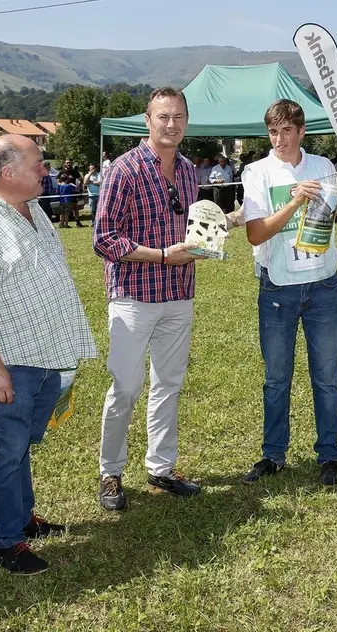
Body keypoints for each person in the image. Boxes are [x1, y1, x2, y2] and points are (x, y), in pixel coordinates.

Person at [0, 134, 98, 575]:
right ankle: (6, 542)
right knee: (6, 452)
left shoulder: (33, 209)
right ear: (8, 172)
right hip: (10, 363)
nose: (46, 171)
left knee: (22, 444)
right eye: (38, 164)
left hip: (45, 355)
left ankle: (23, 518)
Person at [93, 87, 208, 511]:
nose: (171, 124)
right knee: (125, 387)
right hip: (134, 296)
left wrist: (204, 244)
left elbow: (192, 230)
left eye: (178, 116)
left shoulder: (189, 171)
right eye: (163, 116)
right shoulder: (124, 170)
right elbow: (103, 239)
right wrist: (161, 255)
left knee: (169, 384)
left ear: (186, 121)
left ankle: (161, 467)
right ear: (148, 121)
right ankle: (110, 472)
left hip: (179, 293)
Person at [239, 99, 337, 487]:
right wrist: (294, 200)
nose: (279, 140)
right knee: (277, 378)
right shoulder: (256, 172)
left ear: (301, 131)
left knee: (326, 378)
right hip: (277, 288)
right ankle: (273, 455)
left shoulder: (322, 166)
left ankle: (330, 455)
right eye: (273, 132)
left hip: (323, 287)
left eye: (287, 131)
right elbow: (255, 233)